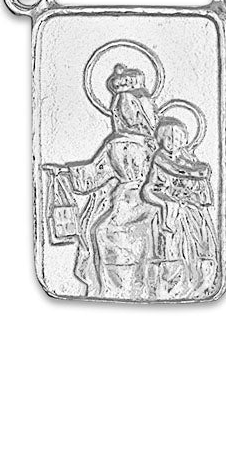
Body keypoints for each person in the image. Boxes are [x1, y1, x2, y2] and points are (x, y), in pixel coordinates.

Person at [46, 65, 159, 300]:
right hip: (130, 202)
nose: (126, 113)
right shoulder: (129, 144)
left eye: (130, 107)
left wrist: (65, 173)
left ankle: (120, 289)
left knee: (103, 231)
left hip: (140, 203)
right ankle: (116, 289)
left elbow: (93, 175)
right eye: (122, 107)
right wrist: (64, 173)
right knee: (101, 231)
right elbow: (94, 174)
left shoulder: (142, 144)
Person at [141, 115, 218, 300]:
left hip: (189, 207)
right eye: (167, 138)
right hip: (165, 200)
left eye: (176, 138)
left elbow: (194, 176)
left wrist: (196, 178)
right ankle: (173, 281)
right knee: (174, 241)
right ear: (160, 139)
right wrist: (197, 172)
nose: (172, 142)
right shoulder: (160, 157)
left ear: (183, 140)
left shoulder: (187, 157)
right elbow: (177, 170)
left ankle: (199, 280)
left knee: (199, 239)